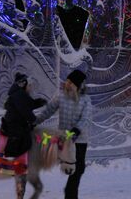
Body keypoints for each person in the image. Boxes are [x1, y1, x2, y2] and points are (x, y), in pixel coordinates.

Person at [36, 69, 91, 199]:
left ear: (76, 85)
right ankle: (71, 194)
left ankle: (70, 192)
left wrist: (76, 130)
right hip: (65, 139)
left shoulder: (85, 99)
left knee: (80, 168)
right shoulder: (60, 96)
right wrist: (35, 121)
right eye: (67, 81)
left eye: (70, 82)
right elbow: (48, 111)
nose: (66, 84)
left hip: (80, 139)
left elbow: (86, 118)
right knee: (73, 167)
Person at [1, 72, 47, 157]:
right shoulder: (19, 95)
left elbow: (28, 104)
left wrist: (38, 102)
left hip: (18, 122)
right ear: (23, 84)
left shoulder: (21, 94)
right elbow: (24, 110)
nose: (30, 88)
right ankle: (9, 155)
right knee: (20, 138)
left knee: (27, 137)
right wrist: (33, 120)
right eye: (29, 86)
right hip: (14, 123)